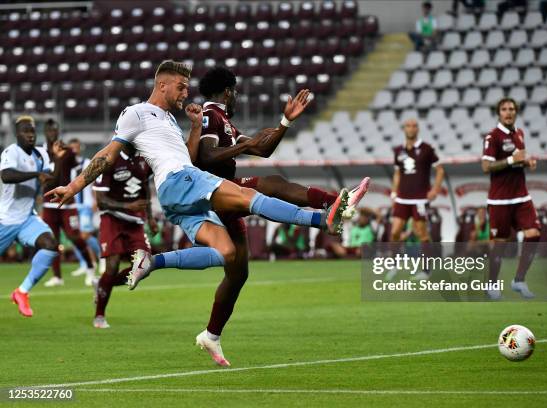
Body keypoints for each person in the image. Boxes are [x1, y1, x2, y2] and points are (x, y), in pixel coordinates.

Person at [45, 60, 365, 366]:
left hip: (176, 197)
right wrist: (74, 187)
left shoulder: (169, 119)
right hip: (179, 181)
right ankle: (321, 218)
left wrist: (196, 127)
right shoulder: (137, 113)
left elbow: (187, 155)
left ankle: (152, 262)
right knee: (251, 194)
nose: (186, 93)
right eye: (181, 87)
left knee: (225, 252)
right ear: (162, 85)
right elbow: (107, 154)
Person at [191, 66, 370, 360]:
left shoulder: (225, 122)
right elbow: (205, 156)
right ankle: (336, 203)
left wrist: (285, 121)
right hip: (213, 193)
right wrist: (244, 145)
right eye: (234, 91)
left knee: (238, 275)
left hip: (226, 195)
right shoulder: (211, 116)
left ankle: (211, 335)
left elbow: (263, 150)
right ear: (227, 91)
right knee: (271, 184)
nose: (235, 96)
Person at [1, 116, 60, 317]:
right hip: (5, 219)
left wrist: (58, 159)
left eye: (33, 131)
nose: (30, 135)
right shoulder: (11, 152)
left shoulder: (41, 154)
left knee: (51, 245)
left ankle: (22, 292)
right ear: (17, 134)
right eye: (26, 131)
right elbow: (6, 176)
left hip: (27, 218)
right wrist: (35, 175)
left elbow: (50, 180)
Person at [91, 145, 156, 329]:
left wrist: (150, 218)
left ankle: (102, 284)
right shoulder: (108, 159)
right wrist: (128, 206)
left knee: (145, 265)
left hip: (135, 221)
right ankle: (100, 316)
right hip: (112, 219)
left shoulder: (144, 158)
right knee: (112, 266)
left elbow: (145, 188)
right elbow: (100, 200)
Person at [482, 97, 540, 299]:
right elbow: (486, 166)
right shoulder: (492, 137)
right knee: (500, 242)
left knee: (533, 234)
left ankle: (519, 280)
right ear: (498, 113)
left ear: (516, 112)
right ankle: (491, 285)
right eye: (504, 109)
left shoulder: (520, 134)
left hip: (521, 196)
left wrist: (527, 162)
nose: (508, 112)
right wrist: (510, 159)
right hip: (500, 200)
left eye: (512, 109)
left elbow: (518, 160)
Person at [41, 119, 96, 287]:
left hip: (67, 203)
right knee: (52, 242)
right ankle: (57, 277)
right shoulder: (40, 151)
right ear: (45, 132)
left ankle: (90, 267)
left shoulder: (67, 151)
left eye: (54, 130)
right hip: (48, 203)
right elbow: (47, 180)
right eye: (49, 130)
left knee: (74, 236)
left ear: (58, 131)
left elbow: (75, 167)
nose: (52, 133)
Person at [390, 118, 444, 280]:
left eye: (414, 126)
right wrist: (394, 193)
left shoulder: (427, 149)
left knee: (422, 233)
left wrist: (435, 189)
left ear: (418, 129)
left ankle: (426, 270)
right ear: (404, 129)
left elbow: (440, 170)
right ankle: (393, 265)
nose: (411, 128)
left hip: (420, 198)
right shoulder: (398, 150)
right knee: (394, 232)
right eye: (408, 126)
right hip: (402, 198)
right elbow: (397, 173)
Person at [68, 138, 102, 278]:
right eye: (71, 148)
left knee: (85, 235)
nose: (74, 150)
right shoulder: (67, 165)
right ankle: (85, 264)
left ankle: (102, 256)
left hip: (87, 204)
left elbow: (94, 182)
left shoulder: (87, 163)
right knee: (74, 235)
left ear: (80, 148)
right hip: (73, 206)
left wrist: (96, 200)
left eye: (76, 147)